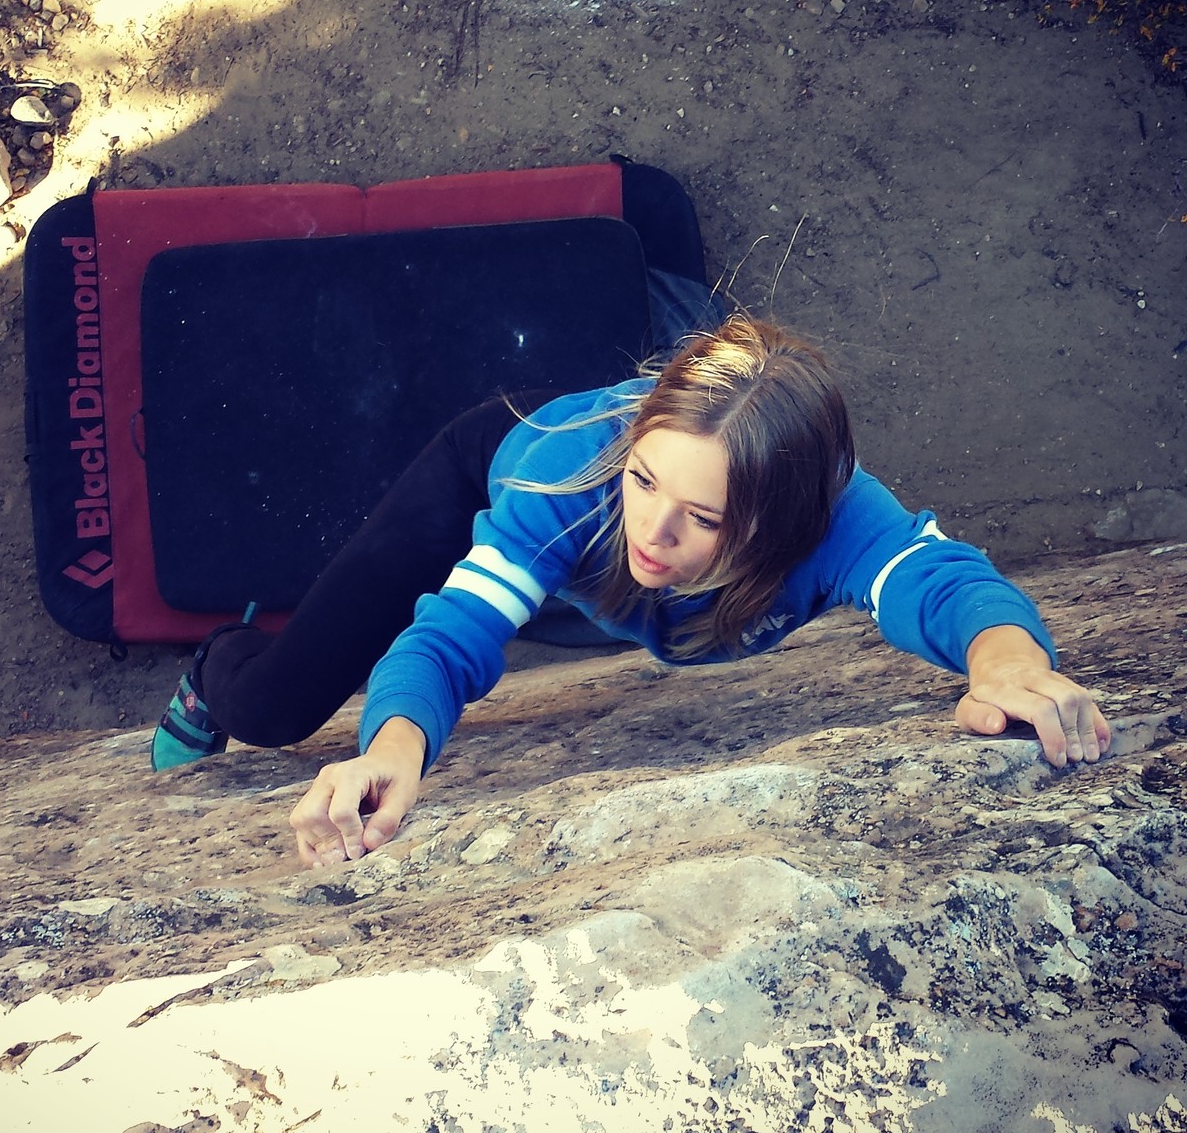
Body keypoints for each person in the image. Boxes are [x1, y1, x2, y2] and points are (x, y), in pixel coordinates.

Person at [150, 314, 1110, 867]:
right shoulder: (567, 485)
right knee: (276, 708)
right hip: (501, 480)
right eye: (646, 482)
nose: (656, 530)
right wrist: (394, 749)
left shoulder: (832, 515)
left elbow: (941, 580)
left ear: (781, 522)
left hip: (625, 595)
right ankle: (214, 667)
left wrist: (1006, 662)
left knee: (629, 603)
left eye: (704, 515)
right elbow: (452, 637)